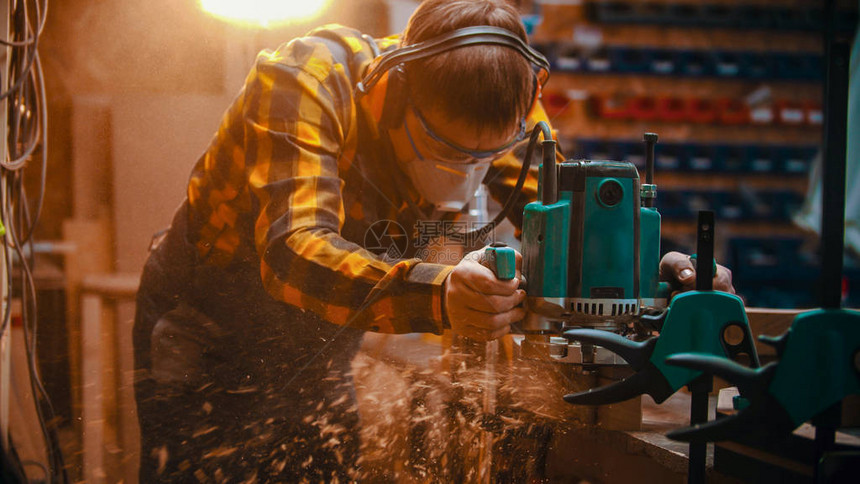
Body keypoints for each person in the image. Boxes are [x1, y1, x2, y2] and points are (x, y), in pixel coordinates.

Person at [133, 0, 736, 481]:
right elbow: (293, 253)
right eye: (446, 150)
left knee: (321, 466)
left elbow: (569, 221)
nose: (466, 172)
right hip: (209, 323)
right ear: (396, 90)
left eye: (486, 155)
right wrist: (441, 296)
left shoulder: (520, 115)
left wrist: (656, 267)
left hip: (326, 334)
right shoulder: (307, 80)